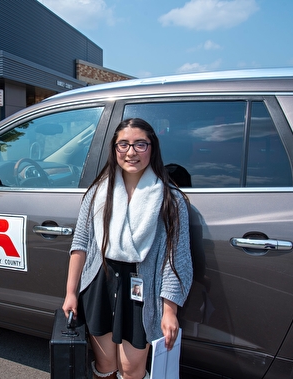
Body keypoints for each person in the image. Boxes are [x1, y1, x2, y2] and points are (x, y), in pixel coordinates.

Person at [62, 118, 193, 379]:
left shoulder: (170, 199)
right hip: (102, 283)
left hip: (141, 291)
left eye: (140, 144)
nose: (131, 152)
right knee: (105, 365)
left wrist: (169, 310)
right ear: (114, 149)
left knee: (132, 370)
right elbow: (81, 243)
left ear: (152, 148)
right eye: (123, 144)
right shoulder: (98, 192)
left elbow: (175, 259)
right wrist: (71, 293)